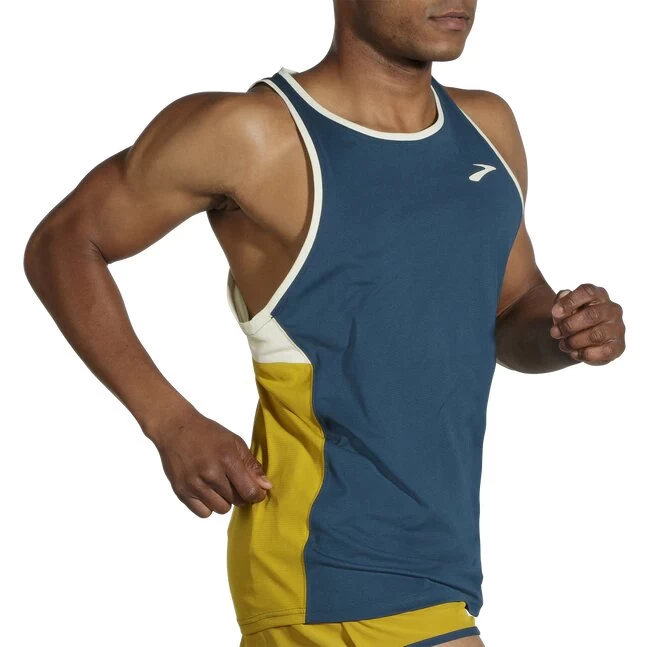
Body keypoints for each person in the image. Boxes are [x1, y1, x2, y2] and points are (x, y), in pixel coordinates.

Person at [23, 1, 627, 645]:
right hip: (326, 554)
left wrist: (566, 331)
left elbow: (510, 306)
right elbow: (64, 244)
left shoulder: (487, 128)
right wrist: (170, 421)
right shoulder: (252, 133)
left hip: (436, 560)